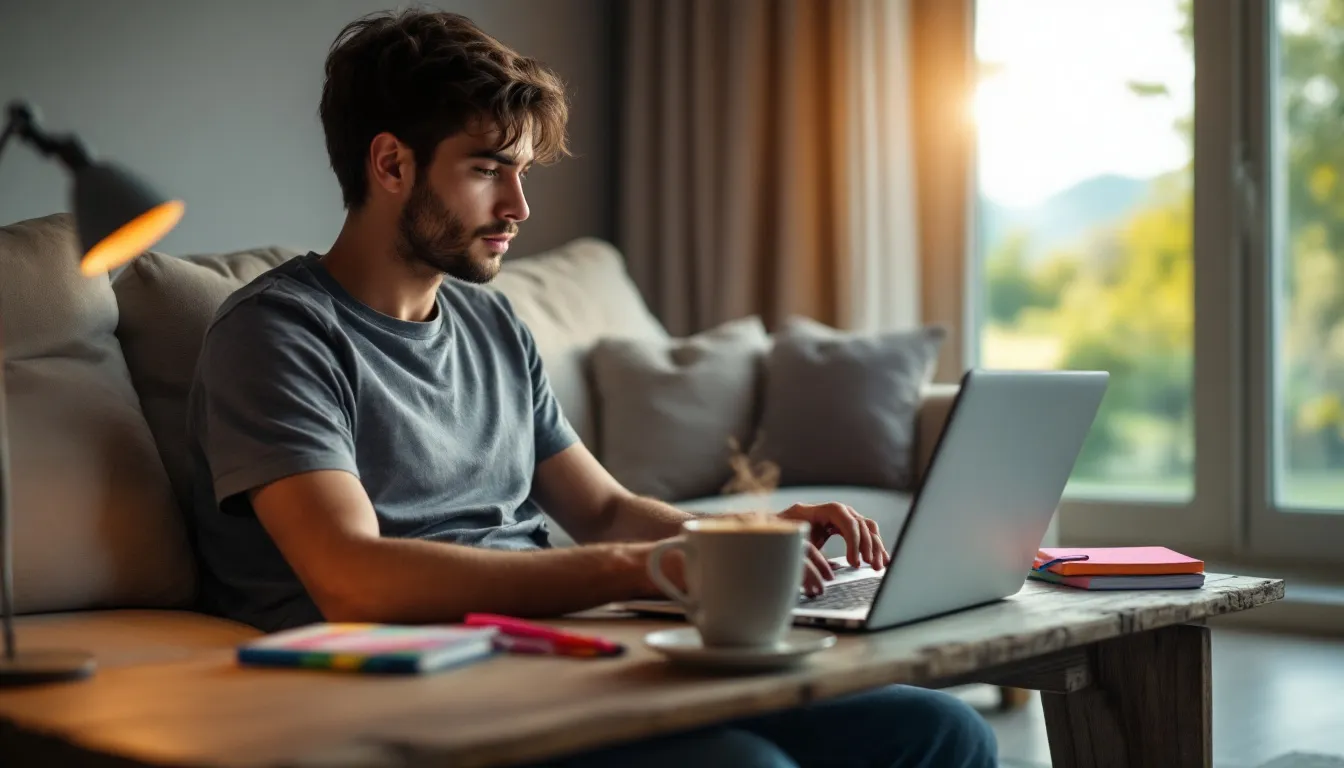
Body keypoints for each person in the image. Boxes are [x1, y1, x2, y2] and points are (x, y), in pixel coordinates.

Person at [185, 10, 997, 767]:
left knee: (940, 731)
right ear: (391, 163)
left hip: (557, 652)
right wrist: (634, 570)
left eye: (525, 172)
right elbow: (355, 578)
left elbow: (604, 509)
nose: (518, 206)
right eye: (488, 170)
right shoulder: (278, 332)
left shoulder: (492, 325)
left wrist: (745, 542)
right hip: (418, 683)